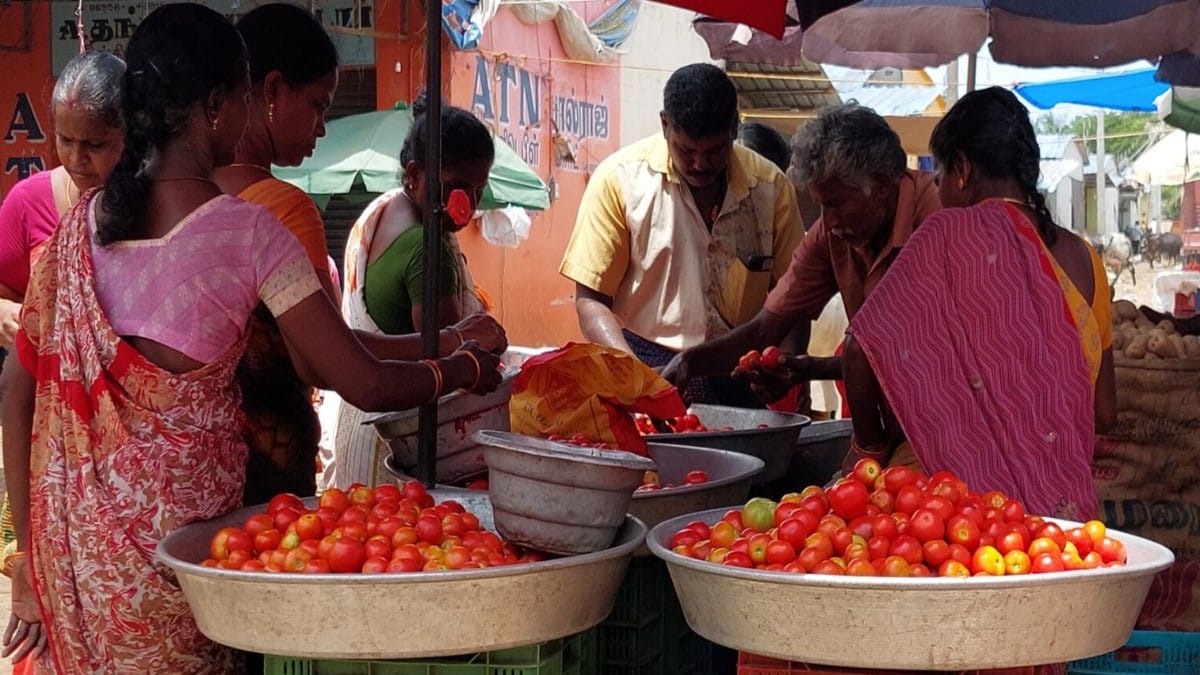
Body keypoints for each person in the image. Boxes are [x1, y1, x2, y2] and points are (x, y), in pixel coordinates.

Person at [0, 5, 502, 671]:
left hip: (82, 574)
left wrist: (28, 559)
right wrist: (465, 366)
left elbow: (16, 384)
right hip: (188, 576)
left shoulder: (74, 233)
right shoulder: (251, 233)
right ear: (219, 105)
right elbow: (360, 379)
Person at [843, 87, 1116, 524]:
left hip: (961, 518)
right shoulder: (1086, 259)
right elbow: (1104, 414)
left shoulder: (947, 237)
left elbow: (860, 349)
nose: (940, 191)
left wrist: (870, 447)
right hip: (1065, 524)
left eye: (941, 178)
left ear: (963, 170)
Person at [662, 103, 941, 409]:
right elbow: (767, 326)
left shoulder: (939, 218)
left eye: (836, 203)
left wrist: (811, 369)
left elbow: (920, 347)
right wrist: (690, 361)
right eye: (822, 205)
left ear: (882, 186)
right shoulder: (830, 233)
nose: (829, 222)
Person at [560, 63, 805, 406]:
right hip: (644, 362)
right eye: (687, 150)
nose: (700, 165)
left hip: (742, 373)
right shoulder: (618, 180)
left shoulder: (772, 188)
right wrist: (636, 376)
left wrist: (785, 368)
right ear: (664, 125)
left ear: (735, 127)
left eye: (715, 151)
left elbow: (793, 300)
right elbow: (590, 301)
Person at [330, 99, 497, 489]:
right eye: (456, 187)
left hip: (356, 426)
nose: (467, 205)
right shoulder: (429, 249)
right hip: (400, 442)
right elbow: (443, 355)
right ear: (413, 175)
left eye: (479, 189)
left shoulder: (381, 212)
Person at [0, 51, 125, 358]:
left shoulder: (157, 203)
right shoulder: (29, 201)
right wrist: (4, 314)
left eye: (95, 145)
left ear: (130, 133)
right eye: (65, 140)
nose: (75, 158)